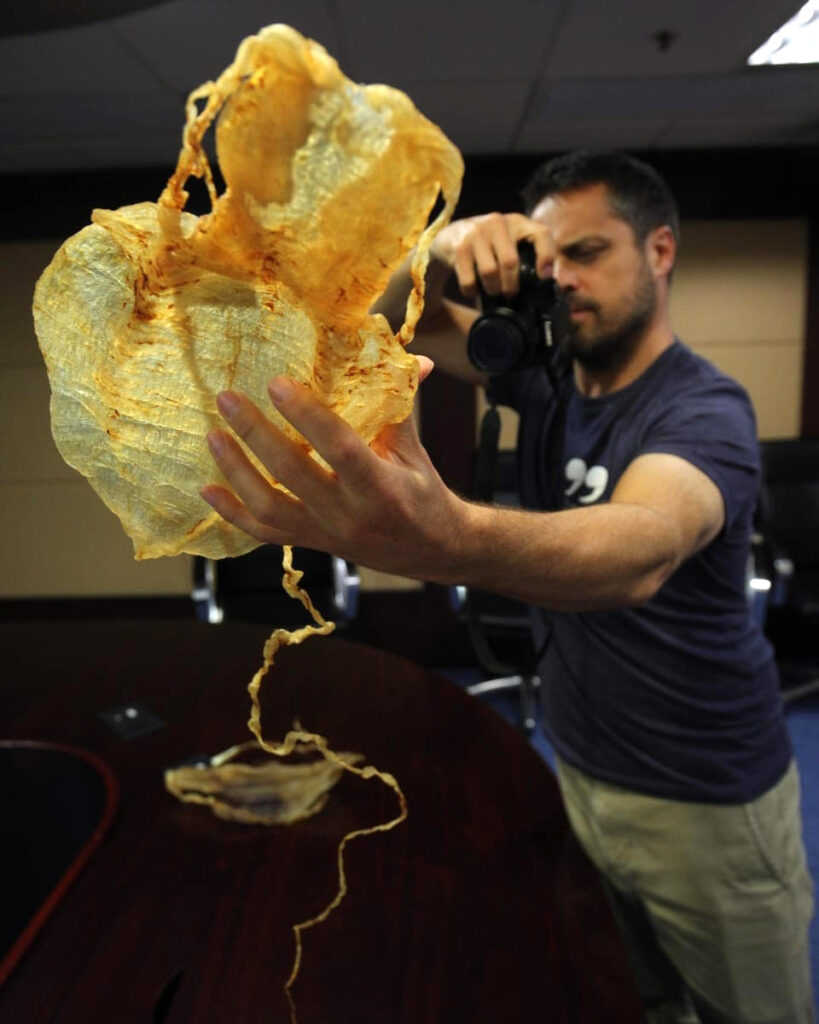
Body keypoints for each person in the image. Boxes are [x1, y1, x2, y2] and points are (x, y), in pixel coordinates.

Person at [200, 150, 814, 1023]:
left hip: (704, 800)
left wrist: (449, 540)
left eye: (588, 252)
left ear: (659, 252)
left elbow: (640, 548)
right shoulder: (546, 378)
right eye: (548, 259)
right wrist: (440, 252)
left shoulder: (702, 408)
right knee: (629, 998)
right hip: (580, 767)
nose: (563, 280)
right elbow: (367, 313)